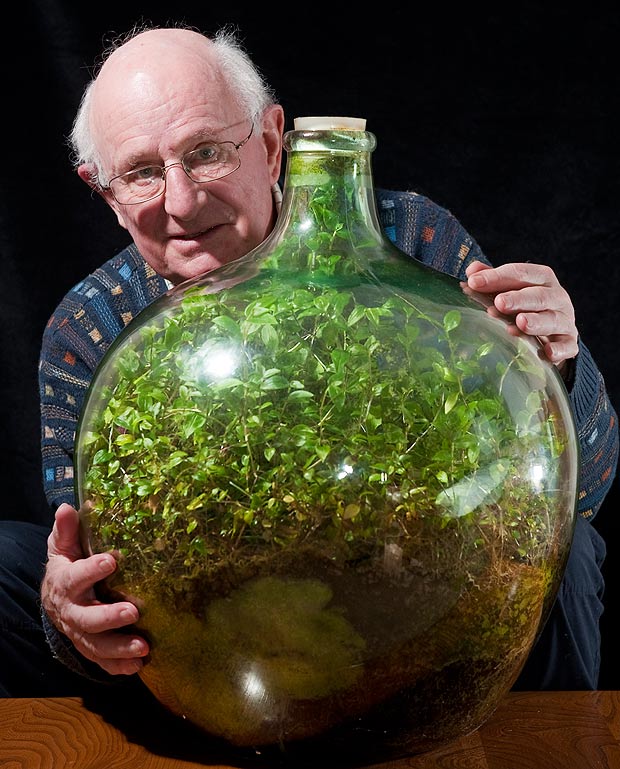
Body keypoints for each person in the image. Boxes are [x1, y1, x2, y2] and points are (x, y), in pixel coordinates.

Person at [0, 24, 617, 700]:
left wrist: (556, 365)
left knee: (564, 547)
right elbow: (94, 566)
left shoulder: (414, 245)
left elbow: (585, 492)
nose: (181, 201)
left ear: (272, 146)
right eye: (143, 172)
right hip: (215, 652)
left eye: (205, 153)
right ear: (106, 194)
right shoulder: (93, 326)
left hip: (413, 607)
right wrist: (69, 611)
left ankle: (547, 743)